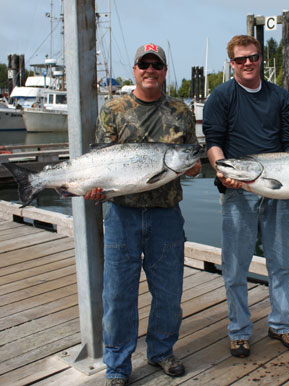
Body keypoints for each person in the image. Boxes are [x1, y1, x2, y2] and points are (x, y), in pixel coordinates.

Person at [85, 43, 201, 386]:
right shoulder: (114, 109)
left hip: (166, 214)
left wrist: (192, 168)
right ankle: (118, 366)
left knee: (168, 292)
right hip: (122, 215)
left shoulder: (181, 110)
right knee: (118, 294)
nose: (150, 70)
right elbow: (101, 159)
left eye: (157, 65)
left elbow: (190, 156)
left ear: (165, 71)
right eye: (143, 64)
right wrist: (95, 187)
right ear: (134, 69)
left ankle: (161, 351)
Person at [202, 35, 289, 358]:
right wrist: (221, 170)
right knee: (234, 266)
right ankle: (239, 331)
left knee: (283, 262)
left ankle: (282, 324)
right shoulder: (220, 97)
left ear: (262, 59)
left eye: (253, 57)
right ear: (231, 63)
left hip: (278, 186)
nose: (248, 63)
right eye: (240, 59)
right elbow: (213, 143)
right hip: (239, 190)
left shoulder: (280, 97)